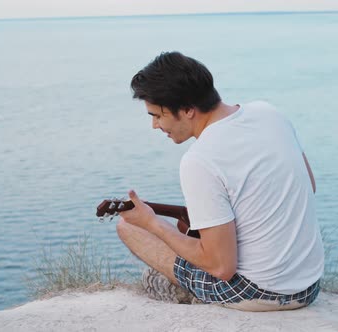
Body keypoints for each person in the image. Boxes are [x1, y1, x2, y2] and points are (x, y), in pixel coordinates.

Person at [117, 51, 324, 311]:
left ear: (188, 109)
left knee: (129, 228)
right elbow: (309, 186)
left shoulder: (200, 160)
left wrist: (152, 222)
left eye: (157, 116)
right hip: (309, 286)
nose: (155, 126)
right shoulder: (269, 113)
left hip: (256, 292)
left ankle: (183, 289)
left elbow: (221, 267)